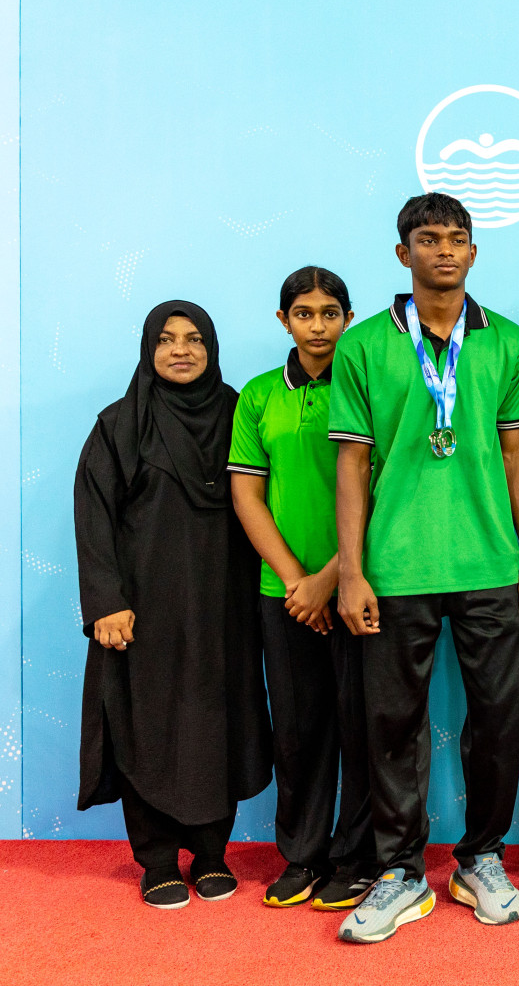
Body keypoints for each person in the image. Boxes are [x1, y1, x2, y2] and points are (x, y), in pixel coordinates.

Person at [329, 193, 519, 943]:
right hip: (394, 568)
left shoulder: (509, 342)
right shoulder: (363, 345)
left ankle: (481, 857)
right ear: (404, 254)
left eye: (457, 239)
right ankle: (399, 871)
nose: (444, 250)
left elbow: (516, 455)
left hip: (490, 564)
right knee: (392, 724)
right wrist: (351, 571)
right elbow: (351, 465)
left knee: (499, 721)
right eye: (428, 239)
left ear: (474, 253)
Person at [73, 301, 272, 909]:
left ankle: (211, 853)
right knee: (147, 723)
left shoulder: (241, 414)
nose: (180, 350)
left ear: (211, 347)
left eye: (193, 339)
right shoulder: (120, 424)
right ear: (148, 349)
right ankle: (157, 859)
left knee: (219, 720)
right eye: (165, 340)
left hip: (226, 604)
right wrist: (106, 601)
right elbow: (94, 514)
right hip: (143, 610)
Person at [229, 266, 377, 910]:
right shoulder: (260, 396)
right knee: (297, 729)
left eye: (330, 313)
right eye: (304, 313)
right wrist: (298, 583)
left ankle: (359, 857)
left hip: (362, 584)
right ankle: (303, 855)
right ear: (284, 320)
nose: (318, 326)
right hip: (285, 594)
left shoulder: (368, 384)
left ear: (348, 318)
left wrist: (332, 577)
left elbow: (383, 486)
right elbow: (247, 495)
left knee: (365, 726)